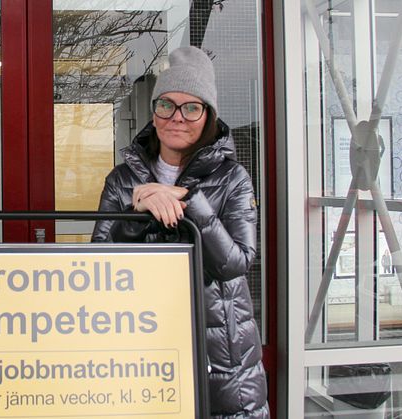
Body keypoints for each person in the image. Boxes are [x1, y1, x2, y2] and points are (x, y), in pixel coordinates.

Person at [92, 46, 269, 418]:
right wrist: (134, 216)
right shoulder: (122, 180)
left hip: (222, 353)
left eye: (192, 108)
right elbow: (99, 265)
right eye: (167, 105)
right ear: (154, 112)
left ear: (207, 117)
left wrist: (190, 202)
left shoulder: (233, 178)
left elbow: (236, 263)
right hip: (141, 341)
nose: (178, 117)